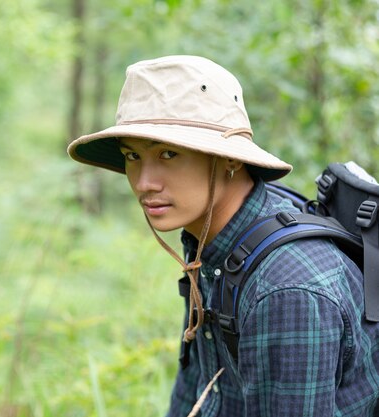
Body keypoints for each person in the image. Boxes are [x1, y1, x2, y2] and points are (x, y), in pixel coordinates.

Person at [67, 55, 379, 416]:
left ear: (229, 159)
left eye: (168, 153)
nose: (143, 182)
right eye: (133, 156)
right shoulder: (209, 239)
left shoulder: (285, 290)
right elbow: (200, 387)